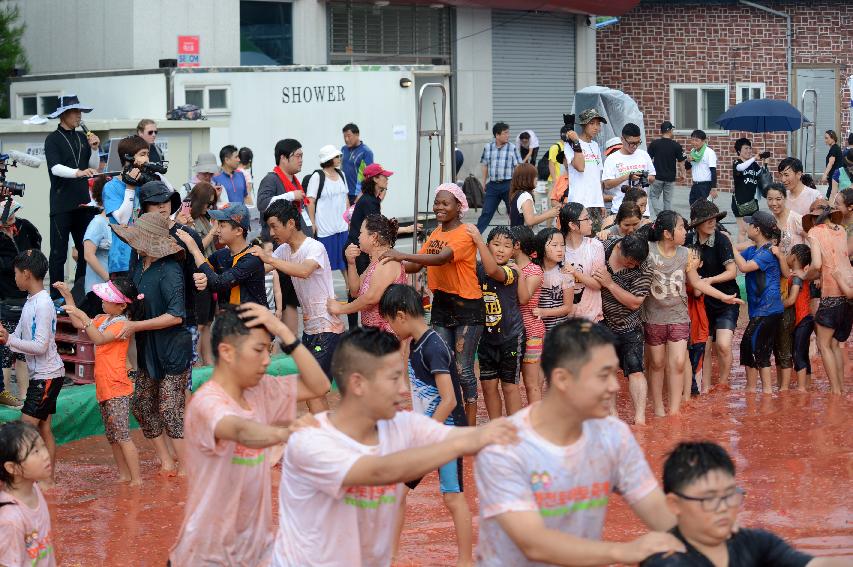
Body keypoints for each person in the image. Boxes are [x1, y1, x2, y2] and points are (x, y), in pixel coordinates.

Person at [271, 326, 518, 567]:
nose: (403, 390)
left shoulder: (402, 425)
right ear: (358, 384)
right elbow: (379, 471)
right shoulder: (311, 440)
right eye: (393, 379)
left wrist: (503, 432)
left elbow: (454, 437)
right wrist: (474, 439)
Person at [474, 318, 685, 566]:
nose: (615, 386)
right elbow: (532, 543)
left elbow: (657, 511)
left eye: (615, 373)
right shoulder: (505, 447)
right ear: (562, 379)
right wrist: (623, 553)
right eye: (603, 375)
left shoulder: (613, 435)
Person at [169, 303, 331, 566]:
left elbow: (320, 385)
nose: (267, 360)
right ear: (227, 352)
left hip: (255, 551)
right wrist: (284, 432)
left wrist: (282, 330)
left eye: (268, 350)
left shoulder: (263, 389)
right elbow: (240, 429)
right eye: (258, 350)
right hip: (205, 554)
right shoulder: (205, 402)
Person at [379, 284, 473, 567]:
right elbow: (415, 390)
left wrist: (427, 433)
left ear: (401, 315)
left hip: (444, 435)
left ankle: (466, 560)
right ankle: (391, 557)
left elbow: (449, 401)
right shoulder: (417, 344)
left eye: (390, 321)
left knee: (453, 498)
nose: (390, 327)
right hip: (428, 433)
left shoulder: (433, 346)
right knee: (398, 492)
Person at [642, 441, 847, 567]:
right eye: (710, 499)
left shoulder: (755, 543)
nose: (723, 508)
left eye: (730, 495)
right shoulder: (665, 561)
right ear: (674, 504)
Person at [381, 184, 484, 426]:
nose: (439, 207)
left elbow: (440, 259)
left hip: (467, 306)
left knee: (463, 369)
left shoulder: (464, 233)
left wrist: (402, 255)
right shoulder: (436, 232)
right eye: (437, 202)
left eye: (445, 203)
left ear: (459, 207)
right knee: (443, 363)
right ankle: (450, 417)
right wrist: (386, 264)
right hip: (442, 303)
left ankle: (468, 425)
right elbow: (418, 265)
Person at [112, 212, 191, 475]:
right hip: (149, 350)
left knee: (170, 409)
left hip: (172, 350)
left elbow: (176, 315)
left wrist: (135, 326)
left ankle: (188, 466)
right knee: (142, 404)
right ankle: (166, 458)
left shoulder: (170, 270)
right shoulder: (141, 266)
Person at [646, 211, 743, 415]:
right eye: (681, 227)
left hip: (678, 317)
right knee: (656, 364)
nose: (685, 231)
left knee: (679, 362)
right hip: (653, 317)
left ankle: (673, 411)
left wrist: (723, 297)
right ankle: (658, 409)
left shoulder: (685, 254)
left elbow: (697, 282)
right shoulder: (648, 251)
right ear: (667, 233)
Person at [254, 200, 346, 412]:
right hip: (312, 330)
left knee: (313, 389)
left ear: (291, 223)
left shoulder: (315, 247)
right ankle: (325, 432)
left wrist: (268, 259)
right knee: (314, 391)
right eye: (269, 226)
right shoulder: (284, 250)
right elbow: (262, 268)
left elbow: (304, 270)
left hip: (327, 328)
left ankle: (325, 435)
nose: (271, 232)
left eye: (274, 226)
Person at [54, 278, 144, 486]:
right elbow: (79, 324)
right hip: (104, 385)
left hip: (117, 386)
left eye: (107, 299)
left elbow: (99, 339)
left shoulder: (122, 324)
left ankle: (136, 479)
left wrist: (85, 317)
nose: (102, 302)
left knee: (122, 435)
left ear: (122, 305)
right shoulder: (104, 318)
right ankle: (124, 475)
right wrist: (68, 297)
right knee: (113, 436)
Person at [0, 250, 63, 488]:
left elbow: (40, 345)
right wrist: (7, 337)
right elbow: (18, 335)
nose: (14, 278)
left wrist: (9, 341)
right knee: (44, 427)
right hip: (45, 375)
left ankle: (31, 480)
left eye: (16, 274)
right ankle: (47, 480)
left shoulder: (43, 305)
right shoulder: (31, 301)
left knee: (26, 429)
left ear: (26, 274)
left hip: (46, 377)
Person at [44, 94, 100, 298]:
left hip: (84, 203)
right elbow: (55, 168)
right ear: (63, 114)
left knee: (85, 252)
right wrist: (78, 172)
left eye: (80, 112)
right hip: (61, 204)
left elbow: (92, 166)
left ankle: (80, 293)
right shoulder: (52, 139)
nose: (79, 116)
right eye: (75, 112)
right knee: (58, 254)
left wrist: (94, 149)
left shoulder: (81, 137)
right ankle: (56, 297)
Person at [725, 211, 786, 394]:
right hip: (762, 310)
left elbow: (743, 267)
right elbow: (739, 250)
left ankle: (761, 391)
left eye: (749, 224)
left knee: (754, 348)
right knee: (755, 348)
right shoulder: (754, 249)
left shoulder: (767, 253)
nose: (746, 227)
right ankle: (756, 390)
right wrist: (728, 244)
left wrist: (731, 247)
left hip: (768, 310)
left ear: (757, 229)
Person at [596, 233, 651, 423]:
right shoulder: (604, 248)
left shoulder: (644, 265)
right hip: (602, 322)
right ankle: (612, 416)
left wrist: (609, 283)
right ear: (619, 248)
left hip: (630, 324)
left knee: (635, 370)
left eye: (636, 263)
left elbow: (635, 302)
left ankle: (640, 418)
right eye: (629, 262)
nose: (633, 266)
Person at [471, 226, 525, 418]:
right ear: (488, 246)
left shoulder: (511, 271)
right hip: (486, 338)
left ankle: (515, 430)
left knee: (510, 386)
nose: (501, 249)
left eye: (507, 246)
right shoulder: (476, 269)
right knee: (487, 385)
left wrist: (477, 240)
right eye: (496, 244)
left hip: (510, 336)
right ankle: (496, 429)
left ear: (513, 250)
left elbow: (493, 271)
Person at [685, 201, 740, 389]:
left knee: (724, 345)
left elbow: (732, 272)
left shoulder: (722, 239)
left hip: (727, 298)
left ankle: (724, 384)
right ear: (697, 223)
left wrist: (708, 281)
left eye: (714, 218)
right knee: (705, 347)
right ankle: (706, 388)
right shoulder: (687, 241)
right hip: (702, 301)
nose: (712, 222)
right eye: (707, 219)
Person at [256, 139, 307, 333]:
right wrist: (291, 196)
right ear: (283, 158)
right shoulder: (271, 179)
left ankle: (292, 343)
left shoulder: (294, 181)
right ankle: (282, 347)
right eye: (297, 156)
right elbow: (262, 204)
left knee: (292, 300)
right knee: (281, 301)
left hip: (295, 247)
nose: (301, 160)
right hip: (277, 249)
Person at [327, 214, 405, 333]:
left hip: (387, 337)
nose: (358, 237)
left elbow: (370, 298)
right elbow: (355, 292)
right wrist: (351, 263)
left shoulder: (387, 261)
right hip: (373, 333)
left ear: (373, 237)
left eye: (361, 233)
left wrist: (341, 309)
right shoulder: (376, 262)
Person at [803, 200, 850, 395]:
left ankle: (835, 390)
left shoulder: (815, 232)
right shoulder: (841, 230)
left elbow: (816, 264)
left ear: (815, 218)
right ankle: (841, 388)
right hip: (848, 292)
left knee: (823, 344)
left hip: (831, 294)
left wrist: (805, 277)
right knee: (834, 344)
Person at [181, 203, 267, 309]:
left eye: (222, 226)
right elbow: (201, 271)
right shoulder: (220, 255)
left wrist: (195, 250)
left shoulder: (252, 258)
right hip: (228, 321)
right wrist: (201, 280)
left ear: (238, 231)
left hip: (252, 323)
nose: (217, 230)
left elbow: (218, 284)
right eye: (218, 225)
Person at [0, 200, 41, 408]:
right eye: (8, 214)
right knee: (5, 351)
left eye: (14, 212)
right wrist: (17, 264)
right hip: (5, 298)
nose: (12, 217)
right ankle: (5, 395)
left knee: (24, 350)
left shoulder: (25, 226)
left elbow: (37, 243)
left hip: (26, 297)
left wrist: (30, 260)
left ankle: (25, 396)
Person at [0, 421, 56, 567]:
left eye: (43, 446)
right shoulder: (11, 519)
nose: (45, 455)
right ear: (12, 467)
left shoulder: (34, 488)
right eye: (35, 452)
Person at [102, 135, 150, 277]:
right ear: (128, 158)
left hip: (146, 255)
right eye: (142, 154)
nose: (147, 159)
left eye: (148, 154)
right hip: (123, 261)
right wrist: (130, 187)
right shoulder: (111, 187)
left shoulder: (146, 183)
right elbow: (122, 220)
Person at [510, 225, 545, 405]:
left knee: (531, 384)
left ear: (516, 245)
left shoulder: (534, 271)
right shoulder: (508, 268)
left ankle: (536, 424)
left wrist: (517, 274)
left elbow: (524, 299)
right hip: (511, 331)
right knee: (512, 383)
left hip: (531, 331)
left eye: (507, 242)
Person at [305, 145, 350, 275]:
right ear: (329, 158)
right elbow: (310, 201)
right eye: (336, 156)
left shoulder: (342, 174)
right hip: (325, 228)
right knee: (325, 264)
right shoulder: (317, 177)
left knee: (346, 261)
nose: (339, 158)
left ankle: (349, 288)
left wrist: (348, 220)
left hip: (341, 226)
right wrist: (312, 223)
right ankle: (329, 292)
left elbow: (345, 197)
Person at [560, 202, 605, 322]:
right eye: (586, 219)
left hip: (591, 317)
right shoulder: (559, 248)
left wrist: (575, 272)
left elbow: (598, 285)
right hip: (564, 319)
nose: (591, 222)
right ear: (573, 225)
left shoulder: (595, 246)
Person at [477, 122, 523, 233]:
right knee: (486, 212)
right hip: (492, 185)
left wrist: (518, 184)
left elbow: (518, 166)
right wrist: (483, 182)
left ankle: (517, 235)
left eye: (508, 133)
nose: (508, 135)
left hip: (509, 184)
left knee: (513, 212)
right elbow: (484, 165)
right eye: (505, 133)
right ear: (497, 135)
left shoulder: (512, 148)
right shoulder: (488, 147)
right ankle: (476, 236)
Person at [602, 122, 656, 215]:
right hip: (620, 210)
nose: (635, 146)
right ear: (622, 139)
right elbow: (607, 184)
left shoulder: (644, 155)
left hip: (643, 211)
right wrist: (626, 177)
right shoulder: (612, 159)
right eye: (631, 143)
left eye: (638, 142)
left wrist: (643, 178)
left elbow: (652, 177)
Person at [533, 227, 575, 337]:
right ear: (542, 247)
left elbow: (568, 307)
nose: (560, 249)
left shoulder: (565, 273)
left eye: (562, 245)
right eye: (554, 245)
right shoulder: (534, 270)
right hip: (535, 329)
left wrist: (544, 312)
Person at [565, 109, 607, 218]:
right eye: (592, 123)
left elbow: (598, 176)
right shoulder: (571, 144)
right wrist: (576, 142)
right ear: (584, 125)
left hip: (595, 203)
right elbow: (580, 167)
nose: (596, 127)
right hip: (578, 202)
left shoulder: (595, 145)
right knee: (579, 234)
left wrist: (600, 202)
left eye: (598, 124)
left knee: (596, 234)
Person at [79, 178, 112, 317]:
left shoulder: (122, 223)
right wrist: (109, 279)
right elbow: (88, 255)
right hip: (99, 288)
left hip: (114, 289)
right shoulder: (98, 222)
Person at [785, 244, 813, 391]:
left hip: (802, 319)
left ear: (794, 257)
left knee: (797, 353)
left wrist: (776, 305)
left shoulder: (796, 277)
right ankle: (808, 385)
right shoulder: (802, 274)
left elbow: (791, 300)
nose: (787, 256)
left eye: (789, 253)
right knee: (803, 352)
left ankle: (801, 389)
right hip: (807, 319)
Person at [647, 121, 686, 218]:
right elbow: (681, 162)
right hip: (670, 178)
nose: (673, 132)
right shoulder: (676, 145)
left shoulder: (654, 144)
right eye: (672, 130)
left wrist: (649, 173)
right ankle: (667, 219)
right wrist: (683, 174)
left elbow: (647, 160)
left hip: (657, 177)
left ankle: (660, 215)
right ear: (669, 130)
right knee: (667, 201)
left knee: (653, 197)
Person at [731, 138, 766, 242]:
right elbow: (741, 168)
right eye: (746, 148)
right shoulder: (737, 162)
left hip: (752, 202)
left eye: (750, 148)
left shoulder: (753, 164)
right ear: (739, 151)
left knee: (754, 231)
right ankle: (740, 254)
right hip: (740, 203)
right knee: (743, 230)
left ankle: (750, 252)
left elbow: (762, 175)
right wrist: (755, 158)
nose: (749, 150)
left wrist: (765, 163)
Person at [509, 163, 559, 227]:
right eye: (535, 176)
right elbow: (530, 221)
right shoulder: (525, 196)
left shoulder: (516, 194)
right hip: (522, 236)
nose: (537, 179)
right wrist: (549, 214)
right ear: (527, 178)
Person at [341, 123, 374, 205]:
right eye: (344, 137)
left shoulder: (366, 152)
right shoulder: (343, 149)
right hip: (344, 193)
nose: (346, 139)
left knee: (356, 218)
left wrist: (362, 193)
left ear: (357, 135)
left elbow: (370, 176)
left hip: (357, 195)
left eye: (349, 136)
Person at [685, 130, 718, 205]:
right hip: (695, 185)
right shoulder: (693, 151)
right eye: (692, 140)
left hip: (706, 186)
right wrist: (688, 160)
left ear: (703, 141)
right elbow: (687, 168)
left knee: (705, 210)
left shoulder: (709, 152)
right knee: (693, 208)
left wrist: (713, 188)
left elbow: (713, 171)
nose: (694, 142)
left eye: (696, 140)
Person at [547, 125, 571, 208]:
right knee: (553, 207)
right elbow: (551, 164)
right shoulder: (555, 147)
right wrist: (555, 181)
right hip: (556, 180)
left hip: (565, 179)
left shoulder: (569, 146)